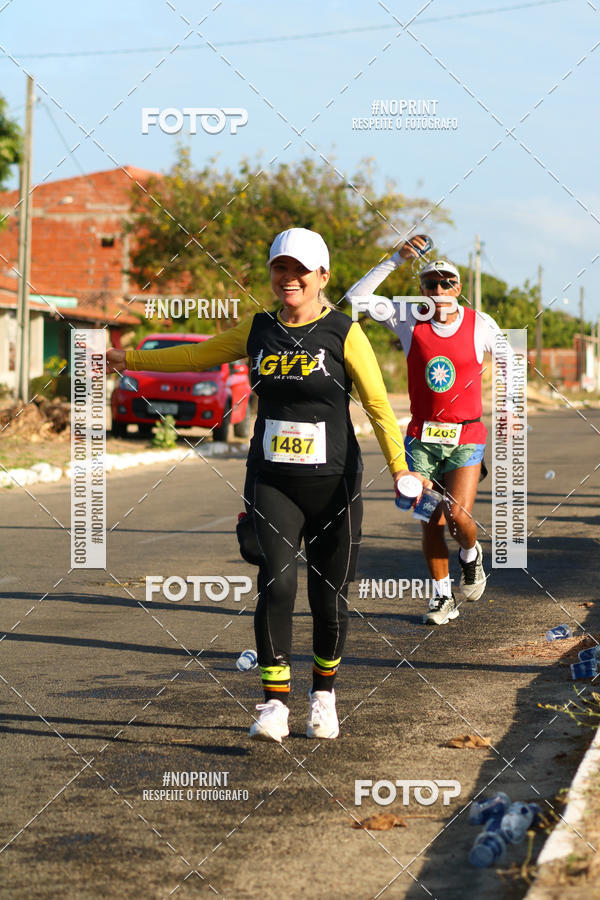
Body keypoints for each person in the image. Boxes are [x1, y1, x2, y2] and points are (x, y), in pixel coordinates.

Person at [107, 227, 429, 743]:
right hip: (272, 480)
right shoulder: (257, 329)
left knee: (330, 598)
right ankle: (273, 703)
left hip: (334, 486)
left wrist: (401, 468)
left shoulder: (345, 332)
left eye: (301, 270)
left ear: (322, 276)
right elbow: (197, 356)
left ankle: (323, 696)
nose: (290, 278)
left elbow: (377, 407)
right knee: (276, 586)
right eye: (281, 267)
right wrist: (131, 359)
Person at [346, 240, 504, 626]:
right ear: (421, 289)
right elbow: (355, 297)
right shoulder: (407, 318)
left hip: (466, 435)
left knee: (458, 515)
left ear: (458, 288)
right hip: (421, 438)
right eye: (430, 284)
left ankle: (470, 554)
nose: (438, 291)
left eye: (446, 283)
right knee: (430, 518)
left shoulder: (480, 323)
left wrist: (511, 408)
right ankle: (442, 597)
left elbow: (512, 362)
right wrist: (398, 258)